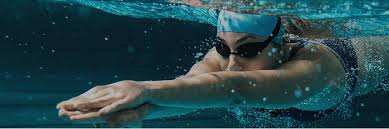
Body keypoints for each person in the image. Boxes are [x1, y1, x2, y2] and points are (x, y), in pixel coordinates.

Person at [57, 7, 389, 127]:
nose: (230, 64)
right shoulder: (228, 58)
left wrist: (142, 89)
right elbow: (189, 91)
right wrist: (140, 111)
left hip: (374, 52)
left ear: (282, 43)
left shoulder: (314, 69)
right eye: (221, 48)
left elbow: (233, 90)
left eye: (248, 50)